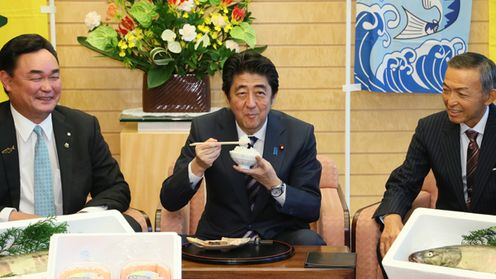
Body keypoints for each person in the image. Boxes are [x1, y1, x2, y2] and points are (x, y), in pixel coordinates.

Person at [161, 50, 325, 245]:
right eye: (241, 93)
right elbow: (170, 200)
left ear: (273, 96)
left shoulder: (298, 134)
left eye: (260, 93)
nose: (251, 104)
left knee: (310, 242)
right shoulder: (206, 128)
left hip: (279, 238)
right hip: (220, 238)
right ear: (228, 97)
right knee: (173, 246)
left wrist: (274, 184)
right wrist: (197, 166)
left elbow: (311, 208)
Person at [0, 33, 141, 231]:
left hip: (72, 239)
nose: (48, 87)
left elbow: (115, 188)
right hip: (9, 240)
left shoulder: (82, 126)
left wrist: (82, 220)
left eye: (55, 76)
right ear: (7, 80)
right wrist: (12, 217)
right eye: (36, 78)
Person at [374, 52, 496, 262]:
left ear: (489, 96)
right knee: (390, 247)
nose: (451, 101)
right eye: (446, 90)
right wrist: (392, 216)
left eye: (462, 94)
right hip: (447, 233)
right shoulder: (430, 128)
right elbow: (404, 181)